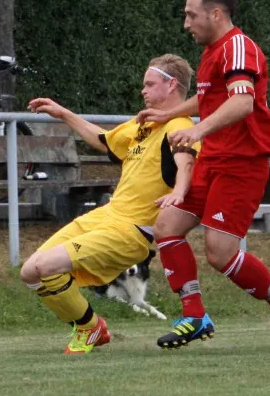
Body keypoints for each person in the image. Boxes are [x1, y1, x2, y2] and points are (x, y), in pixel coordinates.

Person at [137, 0, 270, 351]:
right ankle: (195, 316)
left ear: (216, 13)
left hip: (242, 163)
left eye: (191, 15)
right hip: (214, 158)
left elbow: (242, 103)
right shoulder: (213, 51)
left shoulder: (237, 46)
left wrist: (196, 130)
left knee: (220, 253)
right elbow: (210, 98)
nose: (186, 23)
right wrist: (167, 114)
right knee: (167, 226)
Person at [21, 54, 200, 355]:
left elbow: (186, 162)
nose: (143, 90)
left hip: (130, 231)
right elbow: (104, 140)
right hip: (106, 216)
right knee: (30, 272)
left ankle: (87, 330)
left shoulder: (179, 125)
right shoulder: (145, 123)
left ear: (171, 85)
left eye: (149, 84)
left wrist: (179, 191)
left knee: (45, 267)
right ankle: (92, 327)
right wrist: (63, 113)